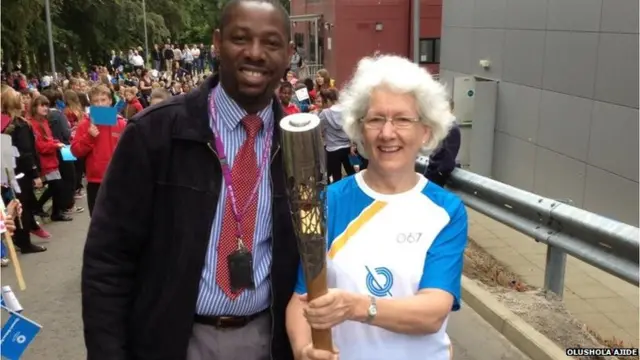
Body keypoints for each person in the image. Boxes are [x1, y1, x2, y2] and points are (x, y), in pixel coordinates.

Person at [81, 0, 299, 359]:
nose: (255, 54)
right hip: (171, 341)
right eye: (240, 38)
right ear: (217, 42)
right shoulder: (155, 133)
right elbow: (108, 259)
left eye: (272, 43)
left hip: (267, 339)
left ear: (289, 53)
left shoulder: (299, 144)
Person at [285, 55, 467, 360]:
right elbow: (302, 299)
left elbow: (432, 313)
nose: (387, 133)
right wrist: (304, 349)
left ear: (425, 130)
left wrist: (357, 306)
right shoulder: (328, 202)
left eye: (402, 119)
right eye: (375, 119)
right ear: (360, 130)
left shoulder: (446, 211)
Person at [71, 84, 127, 215]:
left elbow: (131, 152)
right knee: (98, 223)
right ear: (91, 104)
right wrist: (89, 137)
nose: (100, 104)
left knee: (119, 221)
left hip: (117, 180)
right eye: (96, 101)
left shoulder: (121, 123)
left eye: (103, 100)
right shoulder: (85, 124)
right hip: (96, 182)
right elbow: (75, 151)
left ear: (110, 101)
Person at [425, 99, 461, 187]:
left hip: (436, 175)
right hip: (432, 171)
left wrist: (440, 173)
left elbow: (449, 157)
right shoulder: (442, 127)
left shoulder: (452, 129)